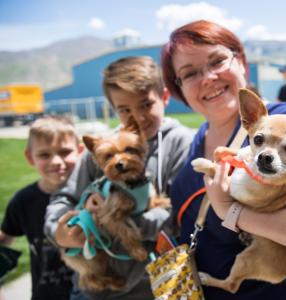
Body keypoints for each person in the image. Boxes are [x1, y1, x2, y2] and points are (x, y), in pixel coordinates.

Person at [161, 20, 286, 300]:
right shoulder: (198, 138)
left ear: (241, 61)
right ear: (178, 88)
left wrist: (231, 211)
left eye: (217, 61)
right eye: (190, 73)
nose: (207, 77)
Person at [43, 56, 194, 300]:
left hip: (156, 287)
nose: (138, 117)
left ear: (164, 97)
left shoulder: (181, 142)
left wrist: (118, 221)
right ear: (114, 109)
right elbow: (63, 198)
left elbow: (179, 214)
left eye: (146, 105)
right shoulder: (106, 147)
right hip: (94, 290)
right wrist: (58, 230)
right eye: (125, 109)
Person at [0, 116, 82, 300]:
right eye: (44, 154)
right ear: (30, 157)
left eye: (65, 152)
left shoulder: (90, 197)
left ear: (81, 151)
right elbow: (5, 238)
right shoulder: (24, 200)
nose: (56, 161)